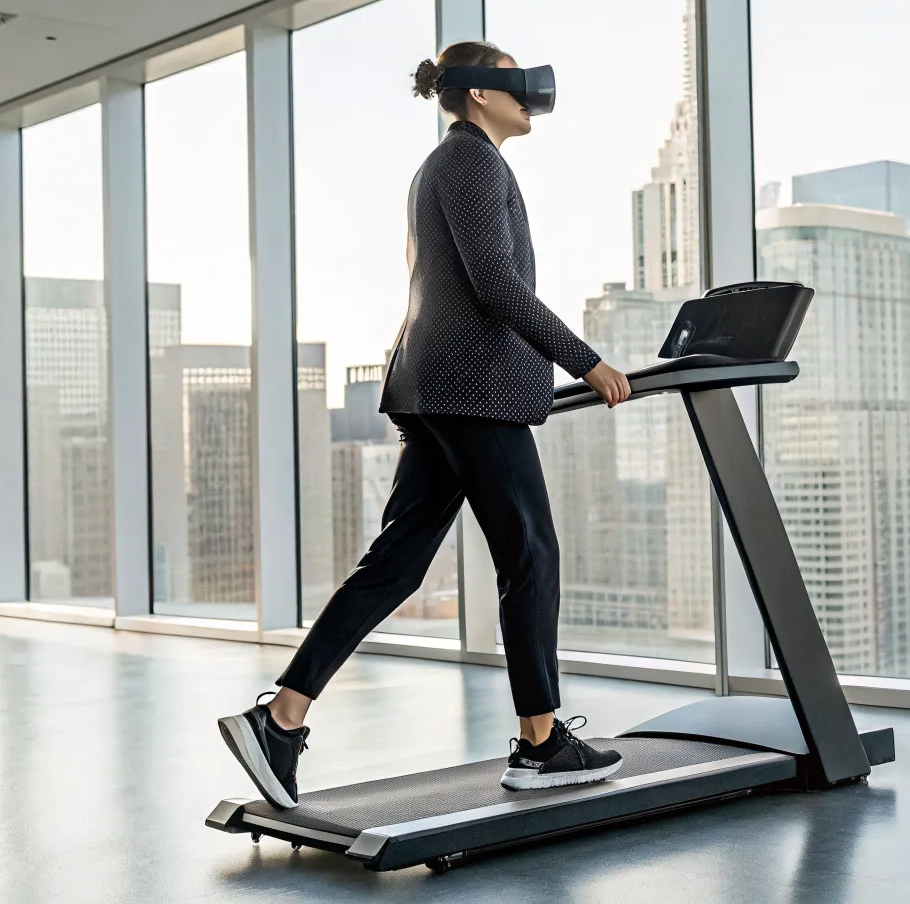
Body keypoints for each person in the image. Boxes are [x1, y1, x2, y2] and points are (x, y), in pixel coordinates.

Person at [217, 40, 632, 809]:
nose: (528, 94)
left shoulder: (448, 165)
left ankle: (281, 716)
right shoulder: (471, 163)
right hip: (468, 387)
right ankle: (542, 742)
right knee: (532, 554)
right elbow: (496, 285)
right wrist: (588, 361)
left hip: (436, 385)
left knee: (398, 563)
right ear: (478, 94)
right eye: (512, 82)